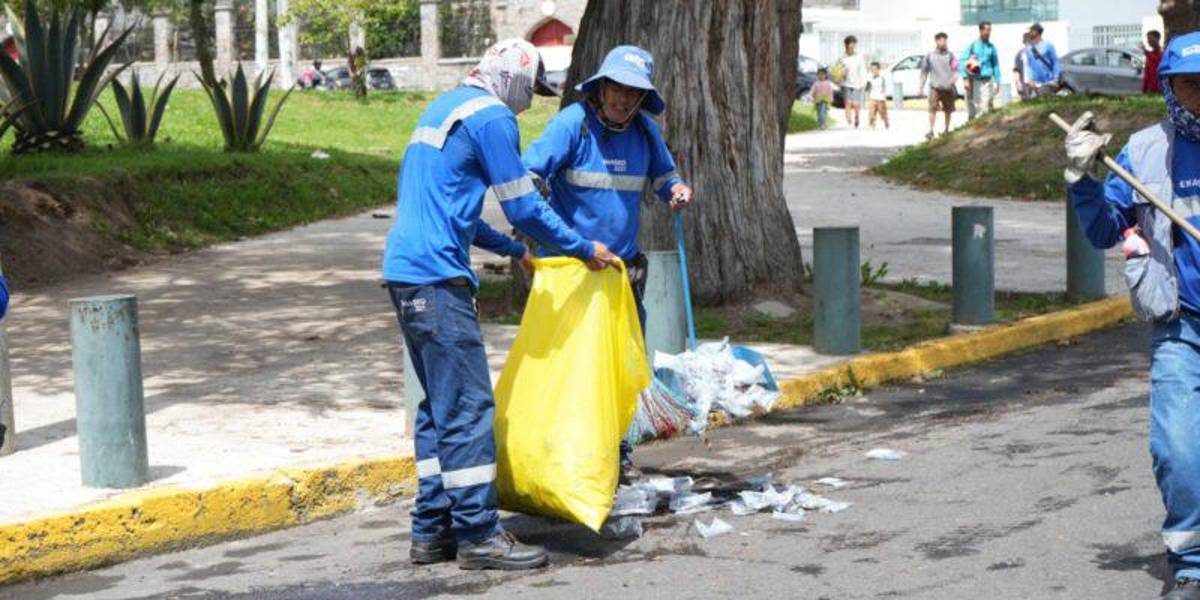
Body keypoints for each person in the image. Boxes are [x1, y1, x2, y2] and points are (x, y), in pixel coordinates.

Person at [382, 39, 617, 571]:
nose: (528, 105)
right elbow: (524, 204)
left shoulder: (443, 108)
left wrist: (513, 250)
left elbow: (458, 212)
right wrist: (583, 249)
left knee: (436, 408)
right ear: (512, 80)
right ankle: (479, 536)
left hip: (405, 273)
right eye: (529, 92)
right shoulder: (492, 119)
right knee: (466, 407)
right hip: (439, 277)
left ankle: (431, 530)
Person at [1063, 31, 1200, 600]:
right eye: (1192, 87)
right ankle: (1190, 563)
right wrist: (1083, 179)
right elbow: (1100, 232)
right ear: (1169, 90)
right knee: (1178, 446)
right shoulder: (1143, 154)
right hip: (1181, 326)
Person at [522, 45, 695, 485]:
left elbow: (665, 178)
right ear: (600, 89)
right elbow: (529, 178)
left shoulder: (644, 132)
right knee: (570, 365)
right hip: (573, 271)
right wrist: (534, 239)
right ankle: (562, 451)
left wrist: (676, 190)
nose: (622, 98)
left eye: (632, 92)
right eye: (615, 88)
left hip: (622, 274)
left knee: (620, 368)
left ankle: (617, 454)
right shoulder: (572, 125)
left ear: (642, 99)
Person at [920, 32, 958, 140]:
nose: (944, 42)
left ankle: (946, 130)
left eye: (945, 40)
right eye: (941, 40)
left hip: (948, 87)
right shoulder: (929, 56)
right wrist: (921, 87)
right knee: (932, 109)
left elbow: (956, 69)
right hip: (935, 87)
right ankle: (931, 130)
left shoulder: (951, 55)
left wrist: (954, 78)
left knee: (948, 110)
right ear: (936, 41)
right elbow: (924, 72)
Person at [960, 21, 1001, 120]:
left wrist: (997, 81)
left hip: (988, 79)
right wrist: (965, 79)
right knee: (978, 105)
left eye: (989, 30)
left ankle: (987, 124)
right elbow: (962, 61)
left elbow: (995, 65)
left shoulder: (991, 47)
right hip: (976, 80)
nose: (988, 32)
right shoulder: (972, 46)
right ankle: (978, 124)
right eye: (986, 30)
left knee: (988, 104)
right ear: (981, 30)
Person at [835, 35, 868, 128]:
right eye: (850, 45)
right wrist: (840, 75)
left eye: (854, 45)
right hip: (845, 83)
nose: (852, 47)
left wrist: (864, 82)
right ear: (846, 45)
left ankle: (857, 116)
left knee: (856, 103)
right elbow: (837, 71)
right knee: (848, 103)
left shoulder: (859, 57)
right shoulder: (842, 58)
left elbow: (863, 70)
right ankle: (849, 119)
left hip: (857, 83)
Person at [1022, 23, 1060, 98]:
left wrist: (1055, 79)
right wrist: (1029, 80)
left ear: (1037, 32)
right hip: (1034, 84)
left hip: (1047, 83)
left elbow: (1055, 62)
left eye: (1031, 31)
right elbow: (1028, 65)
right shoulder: (1029, 48)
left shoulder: (1048, 45)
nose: (1029, 33)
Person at [865, 61, 889, 130]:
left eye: (875, 69)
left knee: (882, 113)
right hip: (872, 97)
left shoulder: (882, 78)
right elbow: (867, 88)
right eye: (872, 70)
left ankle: (886, 121)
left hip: (880, 98)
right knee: (871, 113)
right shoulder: (870, 78)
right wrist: (866, 85)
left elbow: (884, 88)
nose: (874, 71)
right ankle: (872, 125)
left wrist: (883, 97)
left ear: (879, 70)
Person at [1014, 31, 1033, 101]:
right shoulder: (1020, 54)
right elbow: (1016, 70)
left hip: (1037, 84)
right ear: (1024, 41)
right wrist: (1017, 83)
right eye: (1026, 39)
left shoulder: (1038, 53)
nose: (1028, 41)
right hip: (1025, 84)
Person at [1146, 30, 1165, 95]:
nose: (1148, 41)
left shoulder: (1163, 53)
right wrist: (1145, 88)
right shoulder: (1149, 54)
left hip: (1161, 87)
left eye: (1150, 38)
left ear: (1157, 39)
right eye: (1148, 39)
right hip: (1152, 88)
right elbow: (1147, 72)